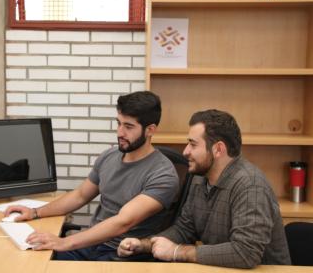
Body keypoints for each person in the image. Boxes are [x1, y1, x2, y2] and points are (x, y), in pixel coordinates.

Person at [5, 91, 179, 261]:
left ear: (150, 130)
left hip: (121, 255)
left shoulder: (163, 174)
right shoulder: (109, 156)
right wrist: (35, 213)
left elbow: (123, 222)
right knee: (26, 258)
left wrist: (64, 242)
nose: (119, 133)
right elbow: (80, 195)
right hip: (90, 244)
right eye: (118, 123)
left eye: (128, 126)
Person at [117, 109, 291, 268]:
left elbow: (246, 253)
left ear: (218, 149)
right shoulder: (200, 179)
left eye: (193, 144)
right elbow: (184, 229)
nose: (185, 152)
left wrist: (178, 252)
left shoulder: (250, 186)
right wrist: (144, 245)